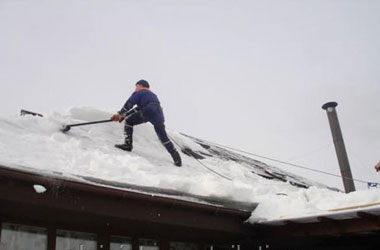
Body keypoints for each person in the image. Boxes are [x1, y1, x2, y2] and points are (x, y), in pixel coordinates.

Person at [111, 80, 182, 167]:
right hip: (158, 112)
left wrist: (120, 114)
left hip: (148, 110)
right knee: (163, 137)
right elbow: (138, 109)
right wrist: (124, 115)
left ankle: (127, 145)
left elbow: (130, 103)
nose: (135, 88)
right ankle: (177, 158)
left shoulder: (140, 92)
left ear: (141, 85)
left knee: (129, 121)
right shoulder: (151, 95)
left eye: (136, 86)